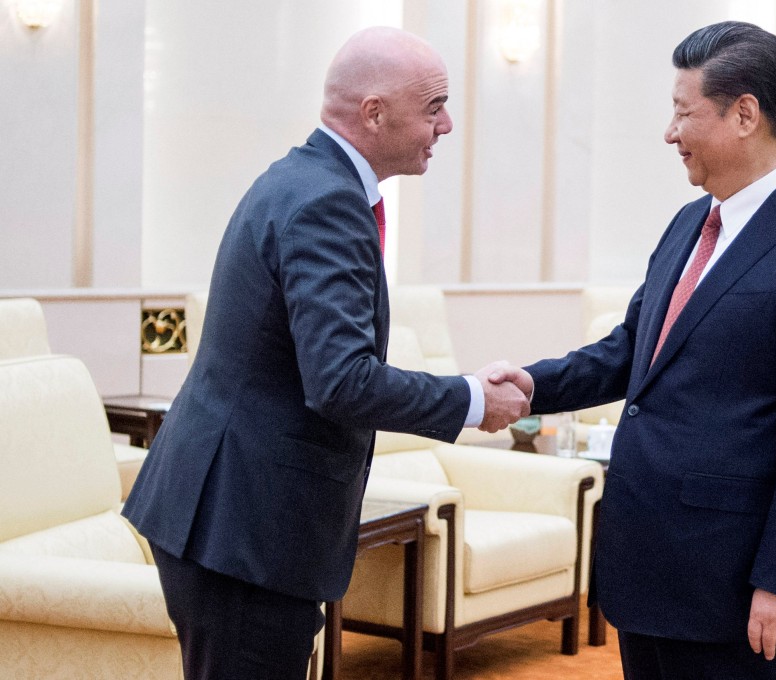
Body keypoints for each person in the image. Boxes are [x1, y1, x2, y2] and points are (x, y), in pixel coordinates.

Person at [122, 27, 530, 680]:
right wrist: (474, 400)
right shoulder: (326, 203)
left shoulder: (305, 179)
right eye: (434, 106)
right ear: (374, 112)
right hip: (244, 530)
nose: (447, 124)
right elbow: (340, 382)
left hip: (234, 521)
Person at [492, 21, 776, 679]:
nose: (669, 133)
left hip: (741, 592)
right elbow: (632, 353)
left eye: (682, 112)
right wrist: (533, 386)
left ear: (745, 115)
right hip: (651, 573)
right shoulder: (688, 224)